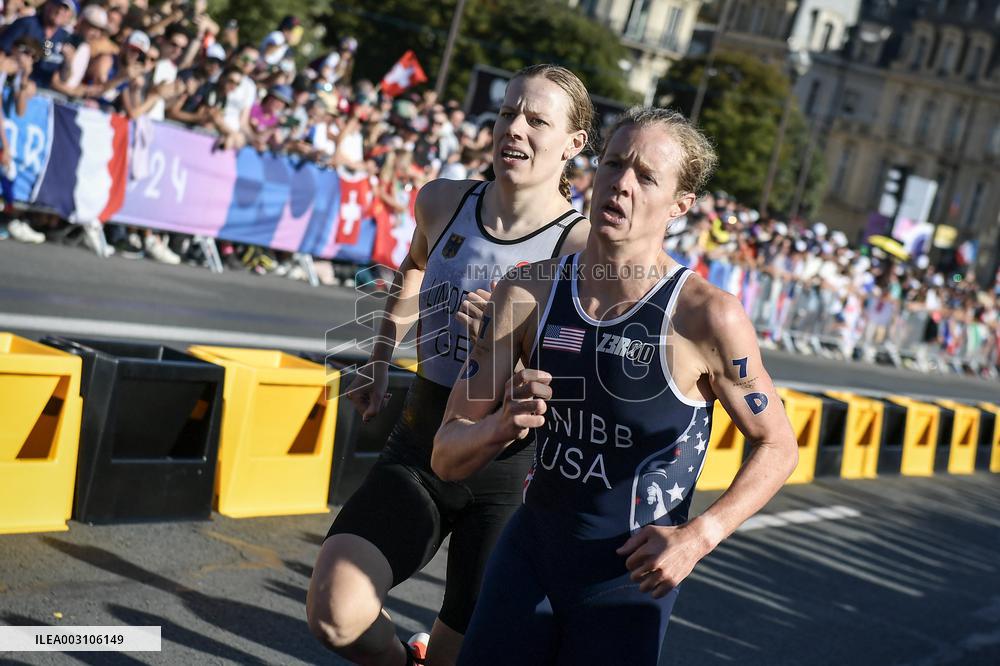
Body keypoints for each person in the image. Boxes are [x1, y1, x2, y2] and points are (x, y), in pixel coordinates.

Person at [431, 107, 800, 665]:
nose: (621, 185)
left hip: (628, 578)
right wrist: (502, 424)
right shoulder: (528, 292)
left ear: (680, 206)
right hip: (529, 555)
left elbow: (779, 445)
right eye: (613, 165)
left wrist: (700, 537)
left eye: (646, 176)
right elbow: (446, 456)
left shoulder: (706, 317)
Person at [306, 64, 595, 666]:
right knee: (335, 610)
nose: (514, 128)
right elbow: (411, 268)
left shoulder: (580, 248)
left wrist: (510, 346)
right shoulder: (442, 200)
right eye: (509, 112)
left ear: (574, 144)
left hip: (511, 474)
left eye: (537, 120)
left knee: (458, 659)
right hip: (420, 442)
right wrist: (382, 354)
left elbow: (589, 371)